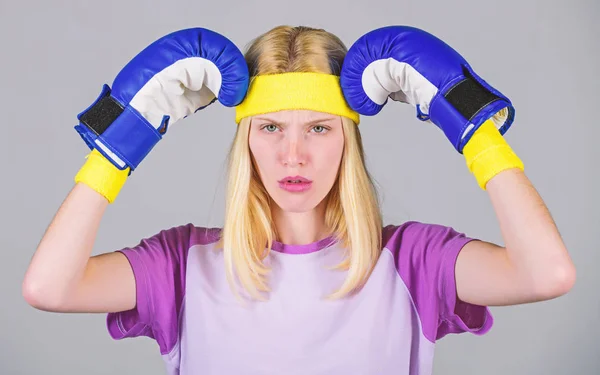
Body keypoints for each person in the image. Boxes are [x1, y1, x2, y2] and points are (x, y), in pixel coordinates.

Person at [22, 25, 576, 374]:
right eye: (269, 129)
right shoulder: (182, 267)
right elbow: (49, 287)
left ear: (347, 140)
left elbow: (546, 274)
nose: (293, 156)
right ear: (245, 140)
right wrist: (116, 144)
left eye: (317, 129)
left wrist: (475, 131)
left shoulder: (411, 261)